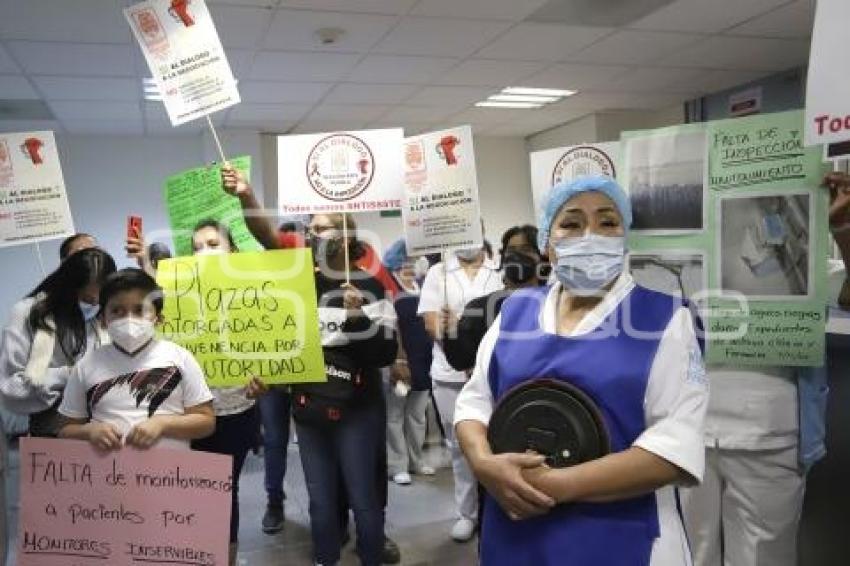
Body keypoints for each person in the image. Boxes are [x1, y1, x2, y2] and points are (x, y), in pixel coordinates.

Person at [455, 175, 708, 565]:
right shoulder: (514, 312)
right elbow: (475, 404)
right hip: (515, 531)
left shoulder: (664, 318)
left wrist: (552, 486)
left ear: (625, 236)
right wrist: (484, 464)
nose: (590, 234)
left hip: (620, 534)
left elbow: (673, 446)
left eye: (607, 222)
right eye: (571, 223)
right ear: (547, 242)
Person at [222, 165, 399, 566]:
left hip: (359, 406)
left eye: (324, 227)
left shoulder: (370, 283)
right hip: (309, 406)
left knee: (363, 497)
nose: (315, 233)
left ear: (347, 236)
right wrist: (265, 375)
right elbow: (283, 339)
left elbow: (384, 354)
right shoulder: (296, 280)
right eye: (312, 227)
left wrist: (359, 319)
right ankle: (324, 558)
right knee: (319, 500)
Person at [680, 173, 850, 566]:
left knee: (763, 558)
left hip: (770, 432)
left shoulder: (809, 271)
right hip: (686, 429)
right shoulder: (679, 262)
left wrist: (838, 223)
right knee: (687, 552)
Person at [127, 219, 265, 566]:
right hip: (182, 417)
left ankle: (224, 559)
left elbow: (274, 350)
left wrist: (267, 381)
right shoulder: (180, 291)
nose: (204, 251)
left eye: (213, 243)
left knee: (221, 493)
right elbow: (155, 308)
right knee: (185, 492)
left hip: (234, 414)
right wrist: (143, 261)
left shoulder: (259, 291)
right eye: (197, 246)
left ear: (232, 249)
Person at [57, 268, 215, 450]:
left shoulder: (180, 358)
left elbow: (206, 422)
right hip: (110, 474)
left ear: (158, 318)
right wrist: (89, 431)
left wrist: (163, 424)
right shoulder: (86, 366)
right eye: (117, 310)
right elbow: (65, 430)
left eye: (140, 310)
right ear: (102, 320)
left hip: (170, 475)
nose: (129, 319)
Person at [417, 234, 503, 542]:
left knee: (498, 444)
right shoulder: (437, 274)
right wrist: (456, 343)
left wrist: (473, 353)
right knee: (461, 448)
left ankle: (497, 510)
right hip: (449, 374)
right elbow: (430, 325)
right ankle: (468, 513)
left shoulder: (499, 269)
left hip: (495, 372)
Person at [0, 248, 116, 436]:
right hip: (51, 421)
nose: (93, 305)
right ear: (67, 289)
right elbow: (10, 389)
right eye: (87, 299)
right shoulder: (27, 313)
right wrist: (68, 374)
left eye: (99, 300)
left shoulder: (103, 316)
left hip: (102, 418)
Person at [443, 224, 544, 372]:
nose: (517, 256)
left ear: (542, 257)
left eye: (526, 250)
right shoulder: (480, 308)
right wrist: (452, 331)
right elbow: (461, 361)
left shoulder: (555, 303)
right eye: (511, 251)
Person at [382, 239, 435, 486]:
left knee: (417, 414)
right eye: (409, 258)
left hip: (425, 359)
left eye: (416, 258)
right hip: (400, 359)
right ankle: (397, 464)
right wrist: (397, 359)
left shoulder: (422, 284)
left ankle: (416, 459)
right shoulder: (388, 283)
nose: (413, 263)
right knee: (395, 414)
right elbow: (388, 326)